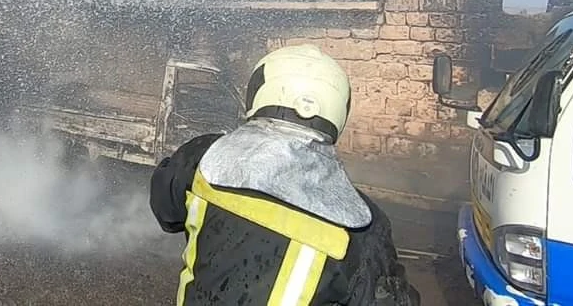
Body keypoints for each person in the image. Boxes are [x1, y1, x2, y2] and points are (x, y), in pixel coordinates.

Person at [150, 44, 419, 305]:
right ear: (339, 111)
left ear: (259, 92)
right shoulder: (363, 227)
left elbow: (166, 213)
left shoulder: (204, 156)